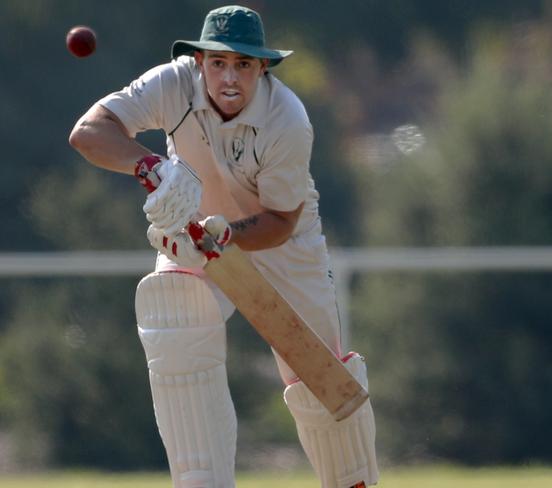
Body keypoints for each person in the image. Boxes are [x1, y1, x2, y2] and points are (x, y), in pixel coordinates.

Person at [69, 5, 378, 488]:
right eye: (217, 63)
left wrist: (229, 235)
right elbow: (89, 133)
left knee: (320, 378)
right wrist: (151, 167)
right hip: (190, 232)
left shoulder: (287, 119)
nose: (229, 77)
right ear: (198, 63)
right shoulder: (171, 84)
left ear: (263, 68)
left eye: (243, 65)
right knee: (175, 322)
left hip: (281, 242)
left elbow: (280, 220)